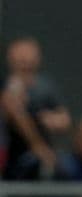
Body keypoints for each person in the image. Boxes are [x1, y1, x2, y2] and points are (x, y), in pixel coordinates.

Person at [1, 36, 71, 180]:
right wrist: (38, 147)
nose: (25, 61)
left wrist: (52, 120)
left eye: (28, 57)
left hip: (49, 154)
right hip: (13, 155)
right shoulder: (7, 86)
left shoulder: (45, 87)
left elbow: (65, 120)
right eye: (21, 57)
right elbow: (15, 115)